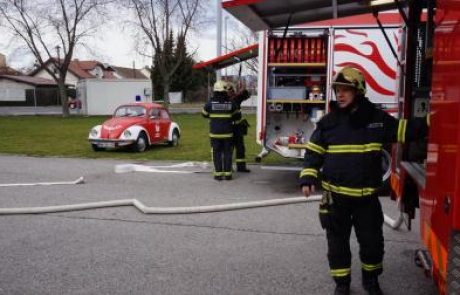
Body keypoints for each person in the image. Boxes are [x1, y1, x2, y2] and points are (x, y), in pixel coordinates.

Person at [298, 67, 427, 295]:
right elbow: (313, 152)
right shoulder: (328, 122)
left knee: (372, 244)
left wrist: (430, 120)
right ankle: (342, 284)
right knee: (337, 245)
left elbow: (404, 130)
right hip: (335, 198)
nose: (340, 94)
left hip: (366, 199)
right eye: (338, 90)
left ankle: (371, 281)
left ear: (359, 91)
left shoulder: (376, 120)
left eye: (346, 90)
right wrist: (308, 177)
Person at [202, 80, 241, 181]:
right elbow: (237, 115)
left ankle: (218, 174)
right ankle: (228, 174)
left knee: (216, 153)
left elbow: (204, 114)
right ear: (225, 91)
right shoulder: (231, 103)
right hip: (228, 134)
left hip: (215, 134)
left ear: (215, 91)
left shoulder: (210, 103)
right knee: (228, 153)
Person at [226, 81, 251, 172]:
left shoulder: (237, 98)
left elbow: (247, 95)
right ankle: (228, 167)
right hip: (228, 128)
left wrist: (243, 90)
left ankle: (241, 167)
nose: (230, 92)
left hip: (238, 128)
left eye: (232, 90)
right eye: (228, 91)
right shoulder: (225, 100)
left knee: (240, 148)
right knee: (229, 149)